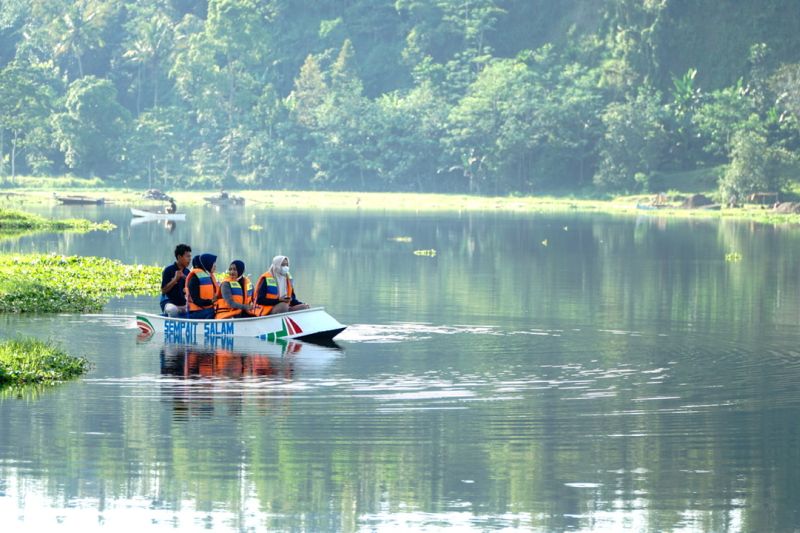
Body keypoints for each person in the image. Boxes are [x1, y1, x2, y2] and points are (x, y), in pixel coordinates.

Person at [160, 244, 192, 317]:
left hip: (182, 304)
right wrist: (175, 280)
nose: (190, 259)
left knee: (194, 309)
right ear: (179, 257)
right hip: (168, 303)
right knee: (173, 309)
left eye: (190, 256)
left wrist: (186, 279)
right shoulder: (168, 270)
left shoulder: (187, 272)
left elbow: (189, 291)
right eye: (187, 256)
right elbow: (163, 291)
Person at [184, 253, 219, 319]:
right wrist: (211, 301)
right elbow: (196, 300)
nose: (215, 266)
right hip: (196, 312)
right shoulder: (194, 279)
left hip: (207, 309)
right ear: (207, 264)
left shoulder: (209, 277)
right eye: (213, 263)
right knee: (213, 312)